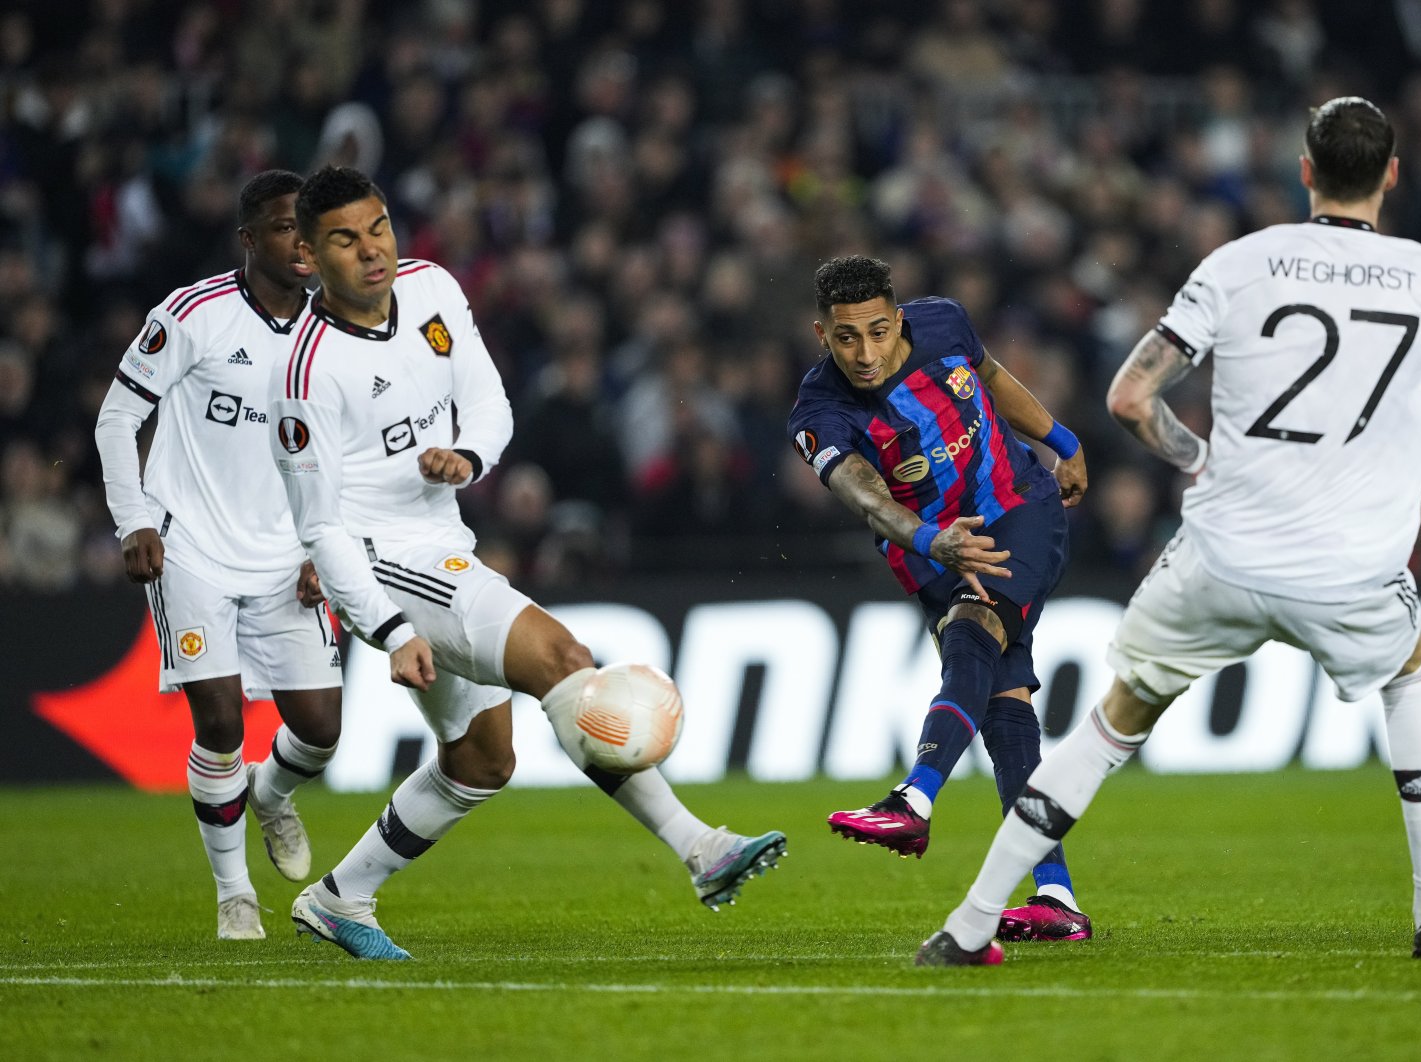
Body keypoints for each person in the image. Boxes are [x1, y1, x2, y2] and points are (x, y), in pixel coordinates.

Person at [917, 97, 1421, 966]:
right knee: (1408, 681)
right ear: (1393, 174)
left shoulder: (1240, 263)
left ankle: (967, 927)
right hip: (1352, 572)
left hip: (1221, 557)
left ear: (1304, 170)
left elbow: (1127, 399)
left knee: (1111, 726)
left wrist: (1195, 454)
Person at [270, 165, 785, 961]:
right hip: (380, 560)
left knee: (482, 761)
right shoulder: (304, 373)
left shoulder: (433, 288)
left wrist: (470, 456)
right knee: (564, 658)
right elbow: (320, 528)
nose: (371, 250)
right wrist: (391, 625)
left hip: (441, 539)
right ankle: (700, 847)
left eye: (378, 228)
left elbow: (487, 400)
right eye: (344, 239)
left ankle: (341, 897)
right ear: (307, 254)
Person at [788, 254, 1093, 941]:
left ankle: (915, 798)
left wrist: (1061, 439)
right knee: (1004, 707)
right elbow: (860, 491)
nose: (863, 353)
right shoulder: (819, 411)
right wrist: (931, 539)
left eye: (875, 331)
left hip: (1018, 509)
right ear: (821, 335)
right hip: (931, 552)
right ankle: (1058, 899)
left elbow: (991, 377)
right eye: (845, 338)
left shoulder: (944, 323)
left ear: (898, 319)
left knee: (974, 625)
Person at [93, 170, 344, 941]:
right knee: (222, 721)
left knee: (322, 731)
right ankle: (234, 893)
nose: (300, 244)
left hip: (285, 555)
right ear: (249, 240)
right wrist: (134, 520)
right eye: (281, 229)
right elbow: (116, 416)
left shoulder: (337, 326)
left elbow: (351, 449)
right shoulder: (191, 315)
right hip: (190, 547)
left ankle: (269, 797)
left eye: (308, 229)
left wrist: (329, 543)